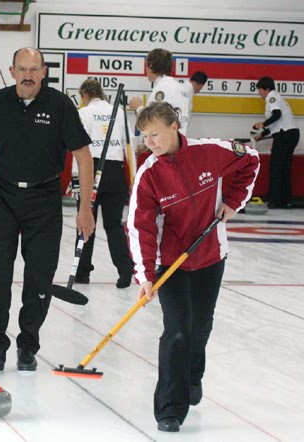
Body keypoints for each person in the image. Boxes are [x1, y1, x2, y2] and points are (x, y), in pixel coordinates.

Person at [0, 48, 95, 372]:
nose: (28, 75)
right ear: (12, 70)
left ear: (44, 71)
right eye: (22, 69)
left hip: (45, 201)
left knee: (39, 278)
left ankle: (28, 346)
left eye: (34, 69)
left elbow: (83, 156)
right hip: (2, 197)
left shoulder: (60, 106)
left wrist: (84, 209)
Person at [127, 102, 259, 432]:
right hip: (170, 262)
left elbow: (251, 160)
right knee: (177, 330)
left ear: (175, 127)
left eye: (155, 134)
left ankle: (191, 378)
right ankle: (170, 408)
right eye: (145, 136)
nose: (150, 143)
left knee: (199, 327)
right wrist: (145, 275)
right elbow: (139, 226)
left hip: (211, 255)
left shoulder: (209, 152)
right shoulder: (150, 173)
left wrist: (233, 202)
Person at [69, 78, 134, 288]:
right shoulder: (120, 113)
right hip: (115, 171)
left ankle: (82, 272)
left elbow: (77, 150)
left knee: (85, 222)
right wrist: (132, 178)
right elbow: (130, 147)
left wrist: (75, 180)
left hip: (91, 169)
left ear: (85, 95)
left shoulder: (83, 113)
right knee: (114, 224)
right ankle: (125, 271)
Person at [252, 76, 300, 208]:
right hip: (291, 133)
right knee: (284, 168)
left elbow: (277, 115)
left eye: (260, 90)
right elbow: (276, 124)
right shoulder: (278, 98)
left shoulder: (271, 97)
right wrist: (262, 134)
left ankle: (273, 200)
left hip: (285, 135)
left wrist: (262, 124)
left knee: (275, 168)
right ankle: (285, 200)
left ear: (266, 89)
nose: (259, 93)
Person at [180, 71, 208, 135]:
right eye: (201, 88)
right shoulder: (185, 92)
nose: (199, 91)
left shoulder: (186, 90)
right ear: (199, 84)